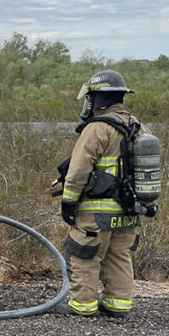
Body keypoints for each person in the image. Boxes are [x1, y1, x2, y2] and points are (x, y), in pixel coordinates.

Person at [55, 69, 154, 317]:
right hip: (129, 210)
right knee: (119, 257)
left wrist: (68, 201)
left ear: (97, 98)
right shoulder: (139, 128)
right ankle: (118, 305)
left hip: (95, 211)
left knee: (85, 255)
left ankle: (82, 306)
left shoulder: (98, 128)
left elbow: (78, 170)